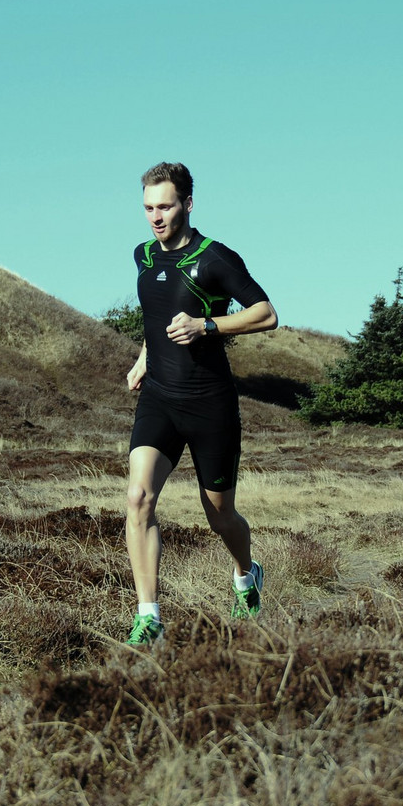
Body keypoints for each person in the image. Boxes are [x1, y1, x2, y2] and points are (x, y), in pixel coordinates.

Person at [124, 162, 278, 645]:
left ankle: (245, 573)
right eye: (149, 207)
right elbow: (158, 314)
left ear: (188, 203)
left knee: (220, 515)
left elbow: (266, 313)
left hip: (210, 403)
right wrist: (145, 356)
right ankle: (149, 618)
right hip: (160, 400)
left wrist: (206, 325)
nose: (156, 216)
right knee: (138, 497)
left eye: (165, 206)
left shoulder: (215, 258)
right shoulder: (143, 256)